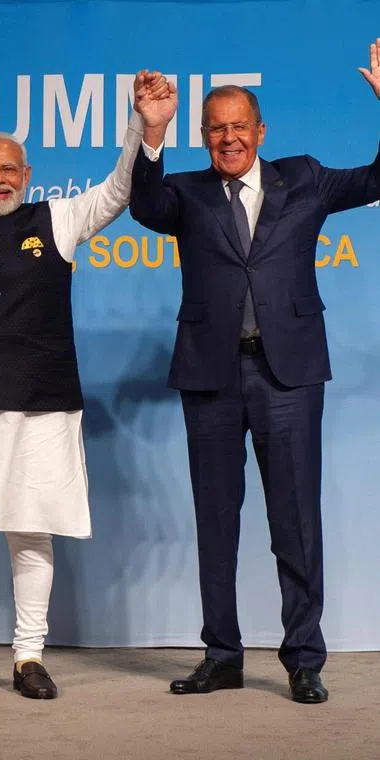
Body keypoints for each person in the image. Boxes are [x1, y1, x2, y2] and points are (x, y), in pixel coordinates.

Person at [0, 72, 169, 699]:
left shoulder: (64, 219)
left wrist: (144, 126)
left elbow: (120, 190)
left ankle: (27, 657)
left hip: (41, 404)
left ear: (27, 174)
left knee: (31, 527)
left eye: (9, 169)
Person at [128, 40, 380, 704]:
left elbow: (379, 177)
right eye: (217, 128)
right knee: (216, 519)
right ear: (204, 136)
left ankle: (303, 658)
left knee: (296, 519)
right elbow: (144, 206)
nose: (229, 137)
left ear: (261, 132)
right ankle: (222, 654)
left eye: (240, 126)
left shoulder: (306, 179)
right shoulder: (184, 192)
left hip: (289, 377)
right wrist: (149, 135)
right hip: (211, 376)